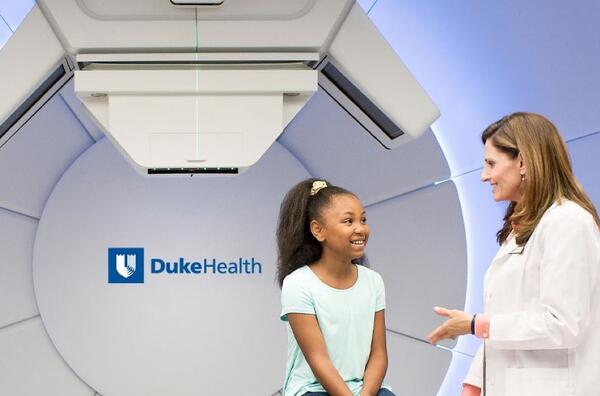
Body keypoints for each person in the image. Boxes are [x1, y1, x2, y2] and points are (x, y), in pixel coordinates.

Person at [427, 112, 600, 396]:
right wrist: (473, 384)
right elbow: (505, 320)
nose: (484, 176)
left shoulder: (569, 221)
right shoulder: (519, 230)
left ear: (522, 162)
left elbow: (564, 325)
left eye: (491, 164)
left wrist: (475, 324)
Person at [277, 178, 395, 396]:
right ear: (318, 230)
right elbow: (317, 358)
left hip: (363, 389)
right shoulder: (298, 284)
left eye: (363, 220)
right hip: (313, 389)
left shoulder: (373, 281)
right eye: (348, 221)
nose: (360, 228)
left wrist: (366, 395)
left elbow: (379, 354)